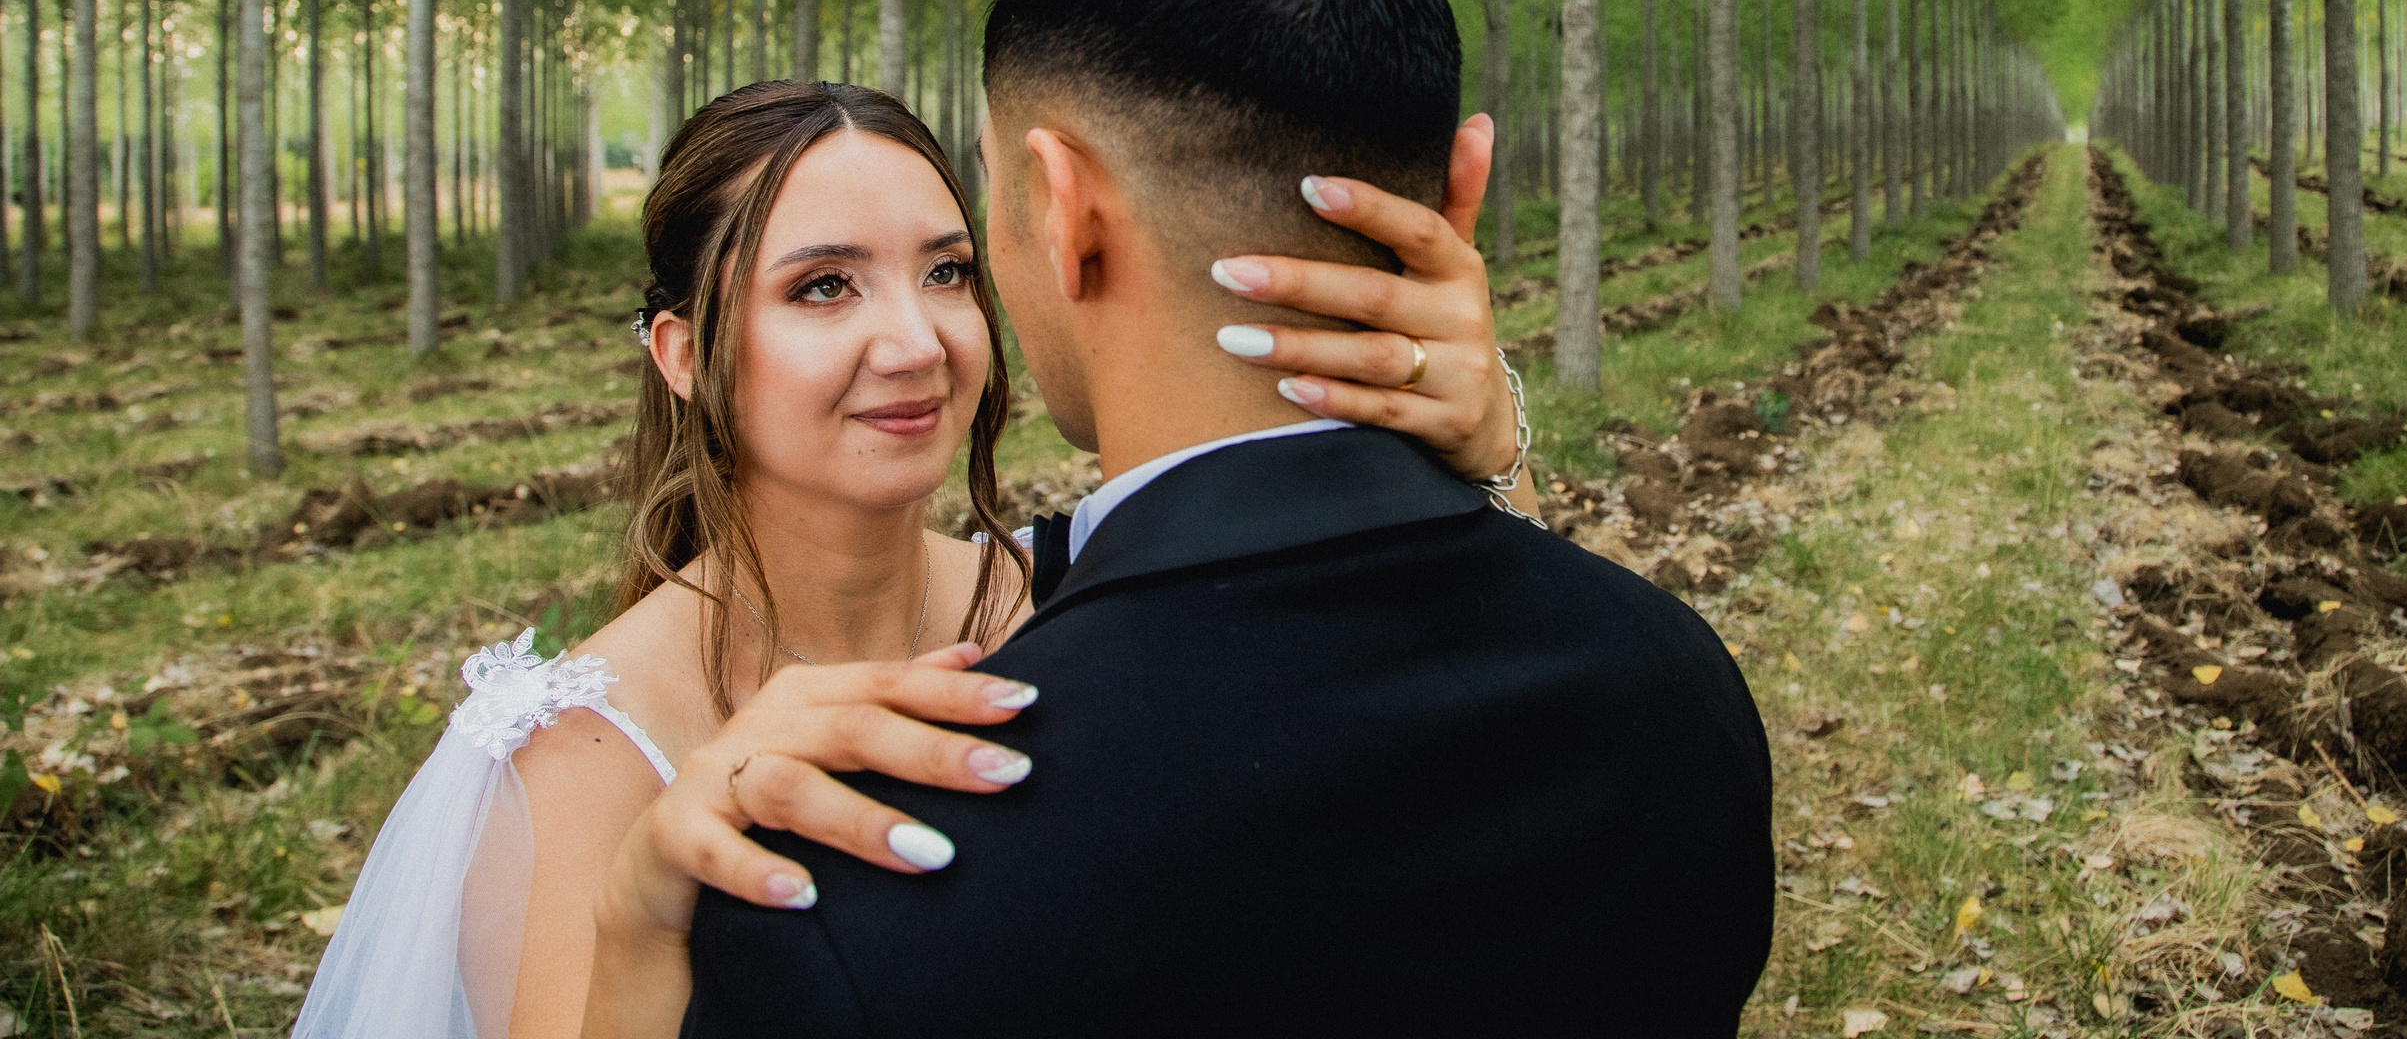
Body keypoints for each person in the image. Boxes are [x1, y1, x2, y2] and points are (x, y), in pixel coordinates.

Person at [600, 0, 1773, 1037]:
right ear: (1459, 176)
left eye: (960, 249)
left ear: (1065, 210)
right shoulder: (1677, 694)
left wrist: (636, 922)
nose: (915, 338)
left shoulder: (855, 886)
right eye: (823, 286)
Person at [292, 78, 1525, 1039]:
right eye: (824, 288)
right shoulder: (577, 758)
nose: (916, 342)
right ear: (681, 355)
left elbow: (1456, 726)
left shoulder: (1081, 589)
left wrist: (1486, 450)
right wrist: (642, 909)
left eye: (947, 272)